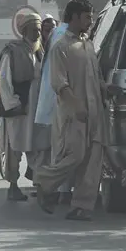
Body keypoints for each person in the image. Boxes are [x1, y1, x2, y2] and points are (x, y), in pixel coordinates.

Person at [36, 0, 115, 221]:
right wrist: (76, 106)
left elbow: (96, 78)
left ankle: (82, 206)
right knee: (74, 155)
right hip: (73, 114)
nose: (90, 21)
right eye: (87, 17)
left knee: (93, 160)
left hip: (95, 112)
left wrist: (107, 88)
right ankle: (44, 181)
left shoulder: (88, 45)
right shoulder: (61, 47)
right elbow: (59, 85)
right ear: (74, 17)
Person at [0, 13, 47, 201]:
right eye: (34, 30)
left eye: (39, 30)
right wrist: (13, 104)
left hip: (38, 108)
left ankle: (41, 185)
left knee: (39, 145)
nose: (37, 33)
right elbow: (4, 80)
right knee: (14, 146)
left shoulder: (41, 50)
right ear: (24, 30)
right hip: (20, 108)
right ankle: (13, 185)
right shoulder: (13, 51)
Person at [34, 19, 75, 203]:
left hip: (56, 101)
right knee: (63, 149)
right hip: (61, 100)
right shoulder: (65, 37)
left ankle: (56, 188)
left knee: (60, 148)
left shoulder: (59, 36)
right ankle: (55, 188)